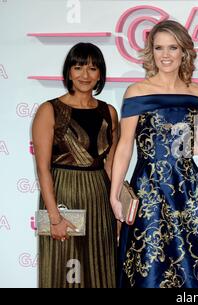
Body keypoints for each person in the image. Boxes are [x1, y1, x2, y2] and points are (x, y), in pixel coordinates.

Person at [110, 20, 198, 288]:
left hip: (187, 186)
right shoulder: (137, 91)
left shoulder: (195, 91)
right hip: (148, 187)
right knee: (151, 261)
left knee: (193, 260)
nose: (165, 55)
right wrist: (115, 193)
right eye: (159, 47)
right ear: (151, 51)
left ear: (183, 51)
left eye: (172, 47)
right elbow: (125, 146)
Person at [32, 43, 118, 288]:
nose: (85, 75)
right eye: (78, 67)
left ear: (100, 74)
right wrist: (54, 217)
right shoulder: (49, 110)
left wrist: (119, 212)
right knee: (66, 270)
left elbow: (111, 165)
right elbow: (43, 169)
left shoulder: (109, 112)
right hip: (64, 196)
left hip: (100, 198)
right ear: (68, 71)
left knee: (101, 268)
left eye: (92, 68)